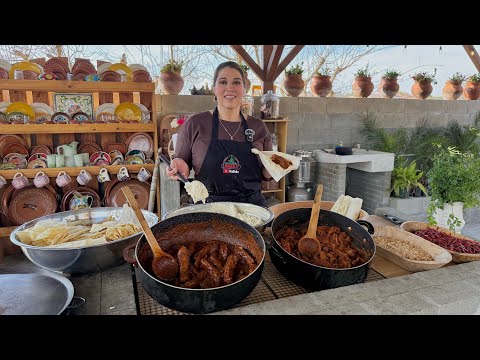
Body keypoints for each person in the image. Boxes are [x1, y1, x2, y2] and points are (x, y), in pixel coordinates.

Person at [166, 61, 273, 207]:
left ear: (244, 89)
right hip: (207, 208)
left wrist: (278, 167)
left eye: (236, 82)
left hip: (251, 211)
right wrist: (179, 168)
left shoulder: (258, 127)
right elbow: (181, 164)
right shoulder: (195, 124)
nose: (230, 88)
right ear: (214, 88)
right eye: (223, 82)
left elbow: (266, 176)